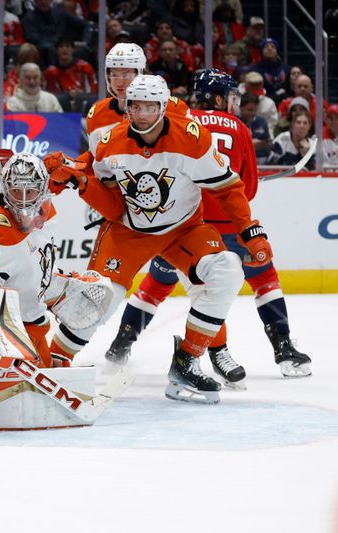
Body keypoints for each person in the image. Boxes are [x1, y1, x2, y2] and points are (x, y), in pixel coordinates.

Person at [45, 75, 272, 404]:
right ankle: (53, 363)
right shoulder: (109, 142)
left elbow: (227, 187)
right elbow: (112, 205)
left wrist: (249, 230)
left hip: (184, 228)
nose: (143, 114)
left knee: (226, 271)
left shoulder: (192, 139)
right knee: (100, 298)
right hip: (128, 230)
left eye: (151, 107)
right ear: (128, 108)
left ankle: (186, 362)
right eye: (136, 106)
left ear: (163, 108)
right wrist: (81, 183)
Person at [103, 69, 312, 385]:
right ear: (217, 97)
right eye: (229, 97)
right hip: (226, 226)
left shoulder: (175, 121)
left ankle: (122, 342)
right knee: (262, 276)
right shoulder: (239, 128)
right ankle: (283, 349)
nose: (233, 103)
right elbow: (248, 188)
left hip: (179, 225)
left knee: (158, 283)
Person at [0, 152, 96, 370]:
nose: (24, 200)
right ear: (6, 191)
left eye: (30, 191)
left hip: (29, 330)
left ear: (43, 190)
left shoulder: (46, 219)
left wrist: (62, 287)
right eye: (17, 191)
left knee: (93, 294)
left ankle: (50, 361)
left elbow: (32, 273)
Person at [239, 91, 272, 163]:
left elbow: (268, 143)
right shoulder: (235, 122)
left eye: (255, 110)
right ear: (240, 107)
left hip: (262, 159)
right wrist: (250, 144)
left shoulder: (262, 122)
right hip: (241, 158)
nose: (253, 113)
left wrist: (263, 144)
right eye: (250, 110)